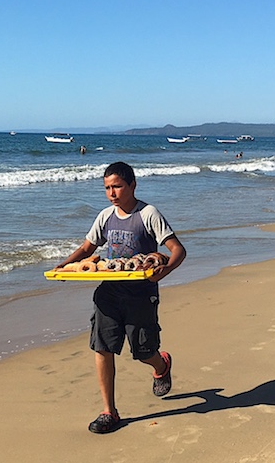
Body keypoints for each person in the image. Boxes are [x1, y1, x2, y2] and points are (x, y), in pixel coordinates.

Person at [56, 161, 186, 434]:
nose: (112, 193)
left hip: (141, 293)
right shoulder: (105, 216)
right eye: (107, 188)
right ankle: (109, 411)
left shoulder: (148, 214)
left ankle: (160, 365)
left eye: (117, 186)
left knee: (142, 351)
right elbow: (87, 248)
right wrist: (63, 267)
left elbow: (177, 250)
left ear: (132, 185)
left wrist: (165, 271)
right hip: (109, 292)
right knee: (102, 346)